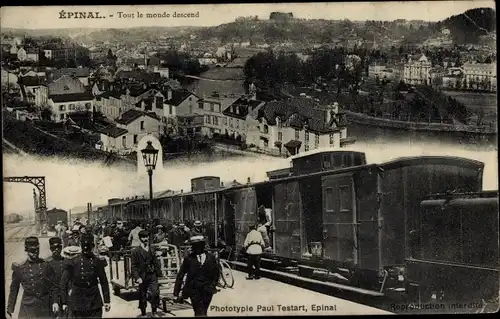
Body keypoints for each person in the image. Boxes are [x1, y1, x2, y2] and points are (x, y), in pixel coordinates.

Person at [7, 237, 59, 319]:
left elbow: (54, 285)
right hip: (28, 306)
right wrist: (9, 309)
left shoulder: (46, 265)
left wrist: (55, 301)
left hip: (45, 306)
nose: (35, 252)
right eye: (32, 251)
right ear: (26, 250)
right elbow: (14, 289)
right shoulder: (20, 268)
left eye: (37, 250)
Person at [60, 234, 111, 318]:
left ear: (93, 246)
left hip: (94, 301)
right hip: (77, 301)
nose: (86, 249)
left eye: (88, 246)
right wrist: (64, 302)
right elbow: (63, 283)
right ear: (81, 245)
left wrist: (107, 301)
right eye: (84, 246)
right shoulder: (73, 262)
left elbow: (104, 281)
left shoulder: (97, 261)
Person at [173, 235, 220, 317]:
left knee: (203, 311)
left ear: (203, 245)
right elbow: (181, 275)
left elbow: (216, 273)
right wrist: (176, 293)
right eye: (194, 246)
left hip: (208, 290)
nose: (197, 248)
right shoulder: (189, 259)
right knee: (199, 312)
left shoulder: (211, 257)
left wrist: (213, 284)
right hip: (194, 290)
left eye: (199, 245)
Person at [130, 230, 163, 317]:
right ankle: (143, 312)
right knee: (143, 295)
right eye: (143, 237)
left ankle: (154, 311)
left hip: (152, 275)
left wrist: (159, 272)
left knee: (155, 293)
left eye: (147, 237)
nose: (146, 239)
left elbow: (155, 262)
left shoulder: (152, 249)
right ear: (140, 238)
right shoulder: (136, 251)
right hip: (142, 276)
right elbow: (133, 266)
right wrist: (137, 277)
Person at [46, 237, 66, 319]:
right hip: (51, 298)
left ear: (61, 248)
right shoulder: (46, 263)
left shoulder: (66, 262)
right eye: (53, 248)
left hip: (65, 296)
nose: (56, 250)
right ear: (50, 249)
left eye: (58, 247)